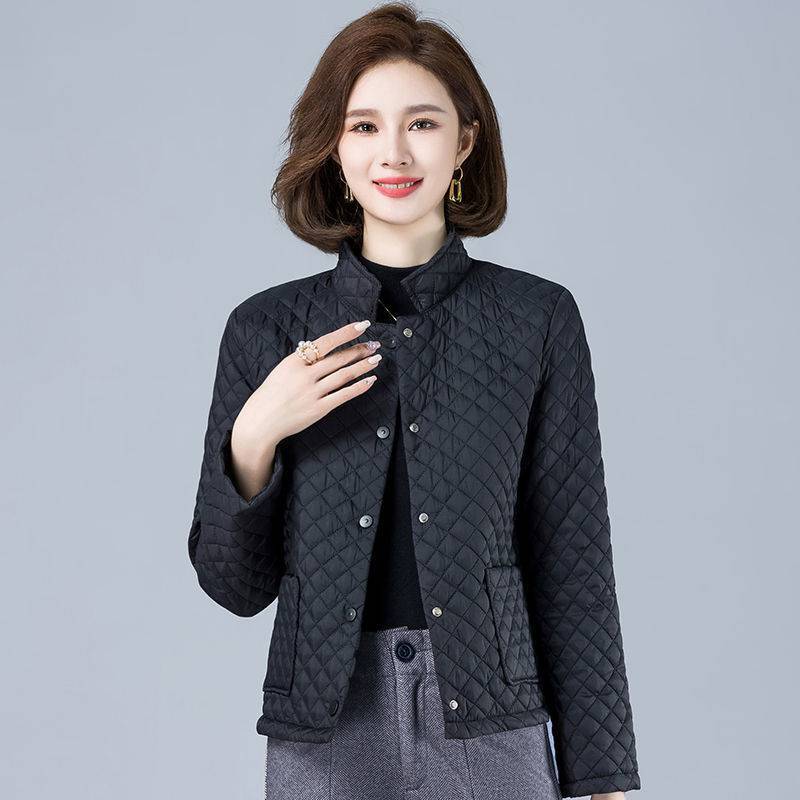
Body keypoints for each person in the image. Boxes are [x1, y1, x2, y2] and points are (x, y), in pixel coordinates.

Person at [188, 4, 641, 799]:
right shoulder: (266, 331)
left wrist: (603, 780)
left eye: (421, 123)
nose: (393, 152)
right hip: (327, 729)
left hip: (491, 722)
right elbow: (235, 588)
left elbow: (573, 560)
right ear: (334, 148)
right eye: (363, 126)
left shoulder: (536, 319)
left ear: (464, 141)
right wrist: (255, 432)